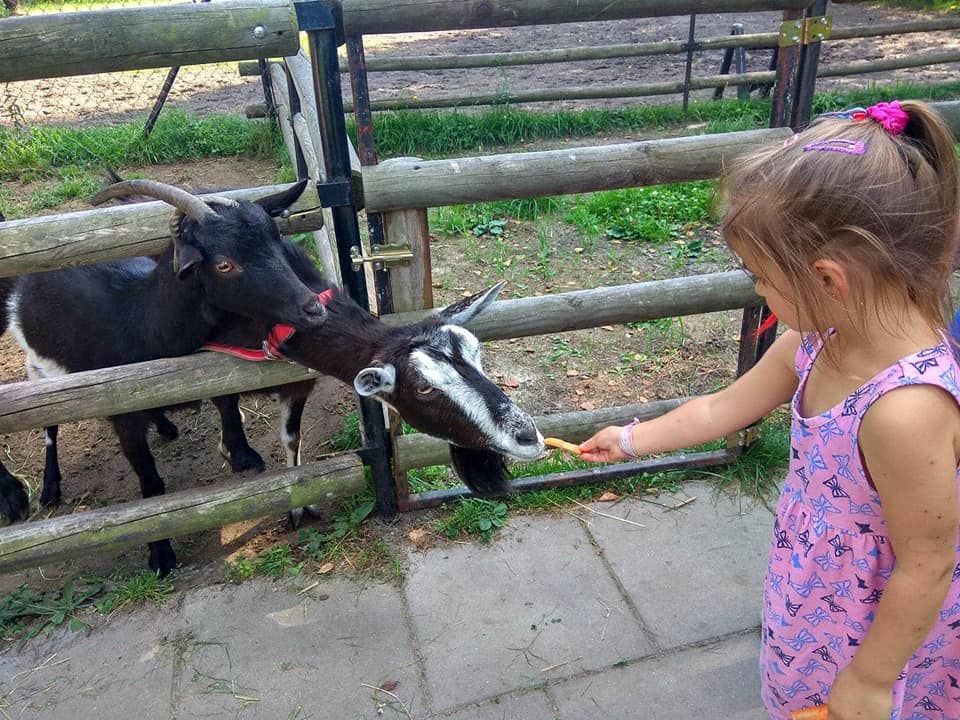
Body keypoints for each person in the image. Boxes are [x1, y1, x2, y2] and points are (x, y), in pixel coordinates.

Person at [579, 100, 960, 720]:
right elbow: (720, 409)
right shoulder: (812, 345)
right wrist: (629, 439)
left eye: (761, 276)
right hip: (816, 587)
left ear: (829, 280)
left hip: (883, 627)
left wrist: (869, 678)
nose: (757, 290)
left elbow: (928, 557)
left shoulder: (905, 409)